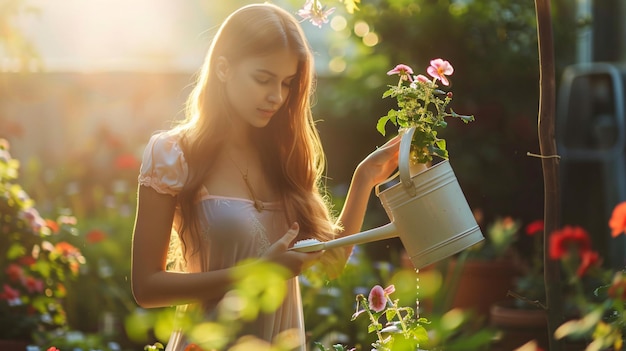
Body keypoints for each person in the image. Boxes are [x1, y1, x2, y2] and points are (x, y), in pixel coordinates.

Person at [131, 3, 400, 350]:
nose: (276, 96)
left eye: (287, 83)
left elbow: (329, 263)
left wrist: (365, 179)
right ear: (224, 68)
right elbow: (146, 288)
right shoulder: (173, 154)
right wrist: (257, 273)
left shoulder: (285, 157)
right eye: (263, 79)